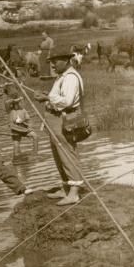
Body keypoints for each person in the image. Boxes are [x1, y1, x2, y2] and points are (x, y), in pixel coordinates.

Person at [39, 52, 87, 206]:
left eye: (55, 61)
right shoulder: (62, 76)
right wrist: (49, 95)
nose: (52, 65)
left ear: (66, 60)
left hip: (65, 120)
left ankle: (74, 193)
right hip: (56, 119)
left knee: (67, 153)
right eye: (51, 61)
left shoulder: (71, 77)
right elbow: (60, 96)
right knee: (58, 154)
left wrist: (47, 98)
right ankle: (66, 187)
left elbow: (67, 101)